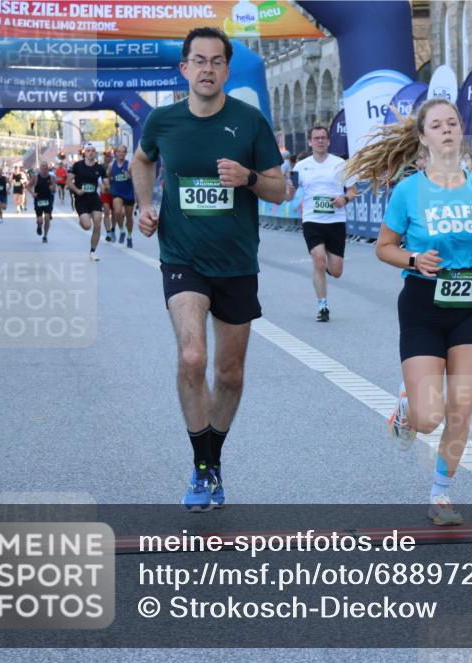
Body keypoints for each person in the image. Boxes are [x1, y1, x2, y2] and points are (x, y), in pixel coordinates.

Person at [132, 26, 287, 511]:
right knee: (193, 356)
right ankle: (202, 468)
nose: (207, 69)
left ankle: (211, 459)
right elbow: (142, 161)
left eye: (216, 61)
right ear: (184, 69)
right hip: (183, 258)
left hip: (237, 262)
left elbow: (280, 188)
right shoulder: (163, 120)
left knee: (230, 373)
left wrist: (249, 177)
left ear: (226, 69)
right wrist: (144, 206)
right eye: (198, 61)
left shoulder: (249, 121)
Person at [343, 99, 472, 526]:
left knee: (462, 408)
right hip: (422, 302)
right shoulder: (408, 191)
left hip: (470, 302)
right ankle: (407, 407)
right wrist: (414, 259)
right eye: (437, 125)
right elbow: (384, 247)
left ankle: (441, 494)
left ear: (461, 130)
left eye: (452, 122)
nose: (447, 130)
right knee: (428, 417)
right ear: (423, 137)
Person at [286, 125, 357, 322]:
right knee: (318, 259)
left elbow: (353, 190)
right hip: (312, 220)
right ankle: (323, 306)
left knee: (336, 271)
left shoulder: (340, 164)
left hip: (336, 220)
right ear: (310, 142)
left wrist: (344, 198)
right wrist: (289, 188)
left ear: (328, 141)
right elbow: (289, 195)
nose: (320, 141)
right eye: (316, 138)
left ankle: (326, 268)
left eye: (323, 138)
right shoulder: (301, 166)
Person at [67, 144, 108, 261]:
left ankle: (93, 251)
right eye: (88, 151)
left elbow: (106, 182)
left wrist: (106, 186)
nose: (90, 152)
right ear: (85, 153)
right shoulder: (77, 165)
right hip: (81, 199)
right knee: (87, 226)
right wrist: (77, 190)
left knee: (98, 224)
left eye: (93, 151)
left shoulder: (99, 168)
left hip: (94, 198)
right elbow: (68, 181)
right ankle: (82, 220)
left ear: (95, 153)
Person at [109, 145, 136, 247]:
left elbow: (135, 177)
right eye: (119, 151)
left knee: (129, 217)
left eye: (123, 152)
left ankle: (129, 237)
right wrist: (108, 181)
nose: (121, 153)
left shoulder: (129, 165)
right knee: (117, 212)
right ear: (116, 153)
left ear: (125, 153)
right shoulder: (111, 165)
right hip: (117, 192)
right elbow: (108, 175)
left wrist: (130, 176)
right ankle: (122, 231)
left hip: (128, 193)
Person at [29, 161, 56, 242]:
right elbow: (28, 186)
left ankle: (45, 236)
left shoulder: (51, 177)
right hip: (39, 199)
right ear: (40, 168)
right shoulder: (35, 177)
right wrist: (32, 193)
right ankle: (39, 225)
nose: (45, 168)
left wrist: (52, 188)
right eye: (43, 166)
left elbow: (54, 188)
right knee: (40, 220)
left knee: (47, 217)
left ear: (48, 168)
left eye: (46, 166)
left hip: (48, 199)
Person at [100, 150, 117, 242]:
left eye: (108, 156)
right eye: (105, 156)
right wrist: (101, 186)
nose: (107, 158)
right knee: (106, 211)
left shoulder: (115, 166)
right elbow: (98, 178)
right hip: (105, 192)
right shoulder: (101, 167)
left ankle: (113, 229)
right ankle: (108, 233)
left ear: (112, 157)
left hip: (114, 192)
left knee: (114, 213)